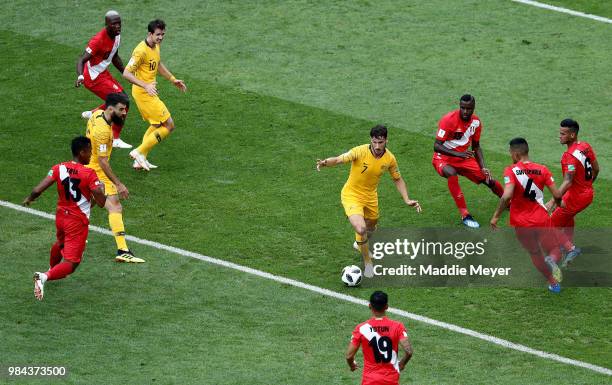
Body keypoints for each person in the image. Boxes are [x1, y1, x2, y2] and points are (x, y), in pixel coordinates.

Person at [316, 125, 421, 278]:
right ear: (370, 140)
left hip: (371, 198)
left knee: (371, 229)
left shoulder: (389, 158)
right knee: (361, 228)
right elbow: (339, 159)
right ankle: (368, 263)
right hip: (351, 195)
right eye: (374, 142)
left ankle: (358, 244)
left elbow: (397, 179)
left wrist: (407, 199)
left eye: (381, 142)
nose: (377, 146)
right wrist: (326, 162)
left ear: (386, 140)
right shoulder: (359, 151)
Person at [23, 136, 106, 300]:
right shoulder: (89, 173)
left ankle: (52, 270)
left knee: (60, 243)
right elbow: (101, 202)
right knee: (71, 263)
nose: (91, 155)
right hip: (77, 222)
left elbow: (38, 189)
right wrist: (102, 191)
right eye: (89, 151)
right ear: (81, 152)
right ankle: (44, 277)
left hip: (61, 216)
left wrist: (29, 199)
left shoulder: (58, 167)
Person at [490, 138, 564, 293]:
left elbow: (506, 196)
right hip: (541, 219)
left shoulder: (511, 170)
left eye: (510, 153)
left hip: (521, 224)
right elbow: (557, 194)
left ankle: (553, 282)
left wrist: (496, 216)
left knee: (535, 252)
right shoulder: (543, 169)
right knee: (553, 248)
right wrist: (558, 203)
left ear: (516, 154)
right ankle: (552, 259)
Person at [86, 92, 144, 263]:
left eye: (125, 109)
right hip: (97, 171)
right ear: (110, 108)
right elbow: (103, 162)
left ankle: (70, 235)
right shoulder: (103, 132)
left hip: (88, 167)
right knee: (115, 207)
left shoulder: (96, 114)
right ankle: (122, 250)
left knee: (89, 203)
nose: (124, 113)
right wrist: (118, 184)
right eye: (121, 109)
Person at [123, 19, 187, 171]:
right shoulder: (140, 51)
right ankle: (138, 152)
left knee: (157, 124)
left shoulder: (156, 46)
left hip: (149, 91)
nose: (161, 38)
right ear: (150, 34)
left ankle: (140, 159)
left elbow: (157, 64)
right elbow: (126, 73)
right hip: (143, 93)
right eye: (158, 35)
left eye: (163, 34)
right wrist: (145, 85)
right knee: (169, 125)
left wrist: (172, 79)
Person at [433, 94, 504, 228]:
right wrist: (457, 154)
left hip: (463, 158)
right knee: (451, 173)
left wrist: (483, 166)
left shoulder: (476, 123)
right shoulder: (448, 120)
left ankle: (507, 202)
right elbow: (437, 146)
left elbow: (476, 146)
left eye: (469, 109)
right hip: (442, 158)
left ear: (473, 108)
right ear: (459, 106)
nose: (465, 111)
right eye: (463, 108)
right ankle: (465, 215)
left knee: (488, 179)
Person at [75, 10, 132, 149]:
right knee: (122, 101)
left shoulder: (117, 36)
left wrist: (126, 73)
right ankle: (115, 138)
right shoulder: (98, 40)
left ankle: (93, 114)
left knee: (121, 99)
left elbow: (114, 56)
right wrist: (80, 76)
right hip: (92, 77)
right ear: (106, 24)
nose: (118, 26)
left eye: (119, 23)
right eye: (114, 24)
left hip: (102, 73)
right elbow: (81, 60)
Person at [546, 119, 599, 267]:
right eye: (560, 133)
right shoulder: (585, 146)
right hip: (585, 193)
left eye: (563, 134)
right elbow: (596, 169)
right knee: (567, 217)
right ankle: (566, 246)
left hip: (577, 197)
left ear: (572, 135)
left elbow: (568, 181)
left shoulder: (568, 156)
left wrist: (552, 201)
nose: (560, 136)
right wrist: (587, 184)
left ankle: (571, 249)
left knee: (549, 224)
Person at [346, 291, 413, 385]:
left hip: (369, 381)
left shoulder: (361, 328)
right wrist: (402, 364)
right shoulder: (398, 326)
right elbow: (409, 351)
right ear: (386, 306)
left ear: (370, 306)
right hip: (391, 381)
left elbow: (349, 356)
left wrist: (352, 365)